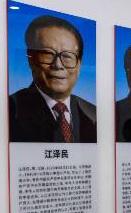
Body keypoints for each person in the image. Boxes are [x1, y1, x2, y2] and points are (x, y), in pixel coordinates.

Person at [9, 15, 96, 143]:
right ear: (31, 59)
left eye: (67, 56)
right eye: (48, 54)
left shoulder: (93, 114)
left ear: (79, 64)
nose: (58, 65)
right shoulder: (10, 111)